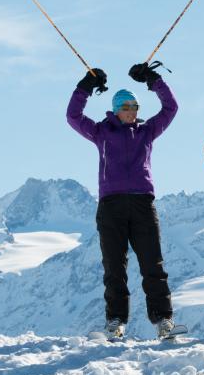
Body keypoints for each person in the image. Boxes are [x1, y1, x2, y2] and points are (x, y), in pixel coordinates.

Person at [66, 62, 178, 340]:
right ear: (116, 109)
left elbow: (170, 108)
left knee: (153, 264)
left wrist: (154, 80)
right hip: (111, 205)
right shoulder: (102, 131)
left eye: (135, 107)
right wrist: (85, 87)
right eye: (126, 106)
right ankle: (115, 321)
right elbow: (73, 116)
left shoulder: (147, 131)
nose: (132, 111)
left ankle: (164, 320)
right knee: (114, 266)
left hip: (142, 204)